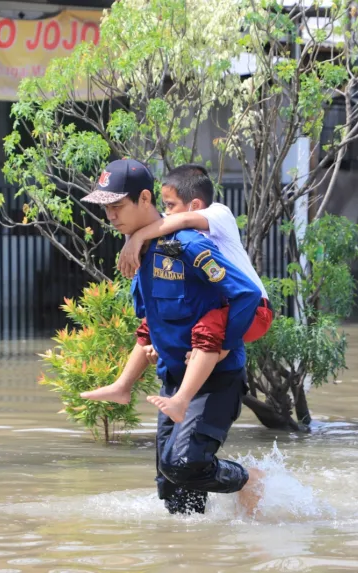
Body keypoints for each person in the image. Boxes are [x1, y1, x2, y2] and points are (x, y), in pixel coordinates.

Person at [79, 158, 265, 516]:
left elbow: (246, 295)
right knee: (173, 491)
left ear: (144, 198)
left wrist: (225, 346)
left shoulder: (188, 245)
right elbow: (152, 318)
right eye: (106, 209)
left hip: (216, 382)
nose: (111, 216)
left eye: (117, 206)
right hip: (172, 379)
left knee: (184, 465)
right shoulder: (138, 252)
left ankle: (249, 480)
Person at [118, 164, 272, 347]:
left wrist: (138, 237)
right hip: (217, 306)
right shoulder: (176, 230)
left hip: (253, 309)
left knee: (208, 330)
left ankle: (209, 356)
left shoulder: (219, 213)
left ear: (196, 205)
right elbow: (150, 222)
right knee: (154, 323)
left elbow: (181, 219)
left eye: (170, 205)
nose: (167, 212)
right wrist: (130, 238)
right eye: (165, 205)